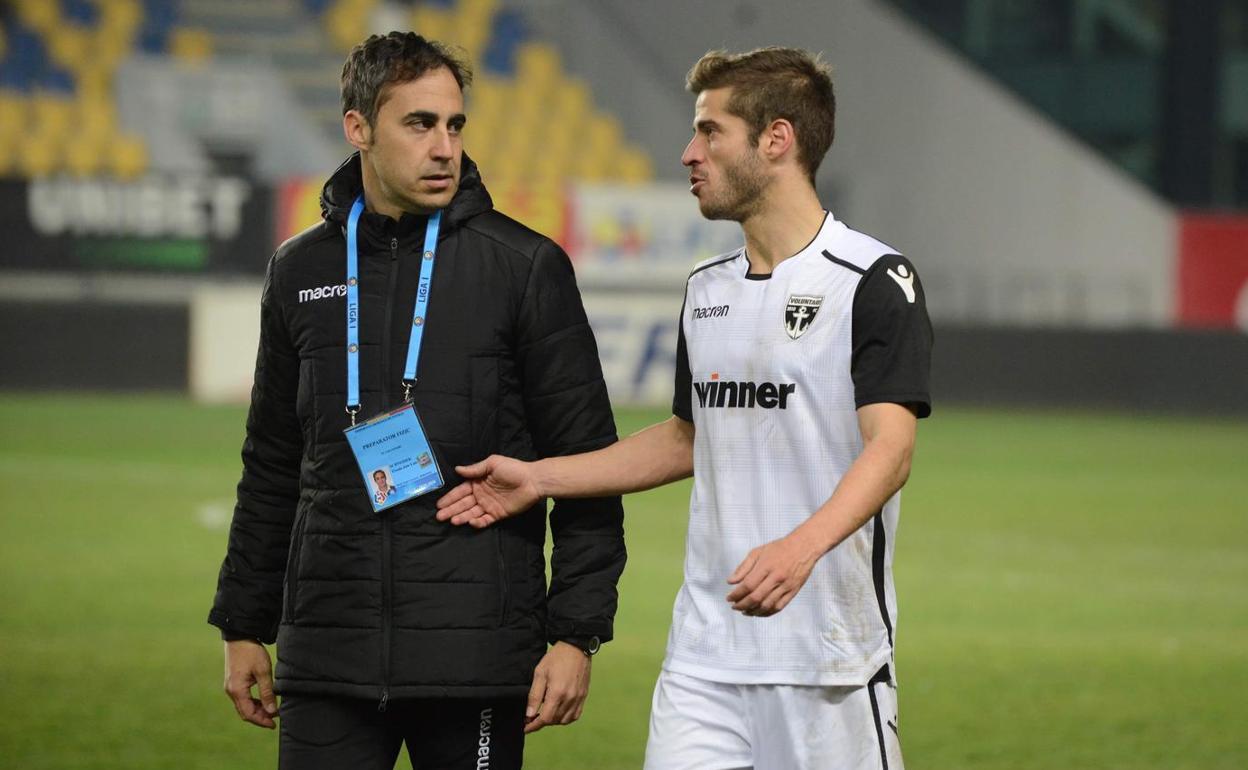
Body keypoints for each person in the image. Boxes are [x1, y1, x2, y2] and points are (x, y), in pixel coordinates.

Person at [436, 47, 933, 769]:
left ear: (777, 140)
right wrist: (541, 477)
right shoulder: (707, 290)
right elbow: (684, 440)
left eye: (710, 132)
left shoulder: (873, 280)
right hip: (706, 661)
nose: (688, 153)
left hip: (827, 661)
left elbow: (890, 450)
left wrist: (799, 548)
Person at [208, 31, 626, 770]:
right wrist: (243, 624)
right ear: (358, 127)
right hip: (327, 657)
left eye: (455, 124)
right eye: (420, 123)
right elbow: (272, 461)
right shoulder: (299, 269)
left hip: (477, 661)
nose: (444, 147)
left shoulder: (525, 266)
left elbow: (587, 463)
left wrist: (575, 634)